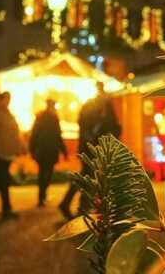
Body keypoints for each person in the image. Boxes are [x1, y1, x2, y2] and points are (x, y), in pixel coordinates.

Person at [58, 82, 120, 220]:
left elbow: (112, 126)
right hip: (93, 148)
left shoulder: (96, 106)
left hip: (94, 147)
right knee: (89, 177)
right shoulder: (97, 106)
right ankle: (80, 207)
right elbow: (111, 126)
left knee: (88, 177)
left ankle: (75, 205)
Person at [29, 99, 67, 207]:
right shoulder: (54, 118)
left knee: (42, 173)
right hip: (50, 150)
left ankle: (41, 197)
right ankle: (43, 196)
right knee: (48, 173)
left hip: (42, 150)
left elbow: (34, 133)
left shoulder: (40, 117)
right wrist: (63, 151)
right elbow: (58, 135)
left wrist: (32, 149)